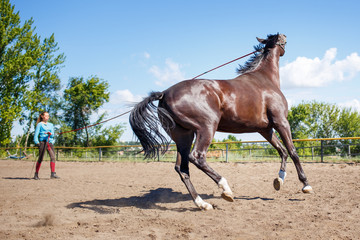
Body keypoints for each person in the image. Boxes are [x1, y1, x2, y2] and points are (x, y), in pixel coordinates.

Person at [33, 111, 60, 180]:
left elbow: (53, 135)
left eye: (48, 116)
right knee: (40, 158)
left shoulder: (51, 125)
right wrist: (37, 143)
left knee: (53, 157)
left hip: (49, 143)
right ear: (42, 116)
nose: (47, 117)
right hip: (43, 143)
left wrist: (50, 134)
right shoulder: (39, 125)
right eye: (46, 116)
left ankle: (53, 174)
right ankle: (36, 174)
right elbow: (36, 135)